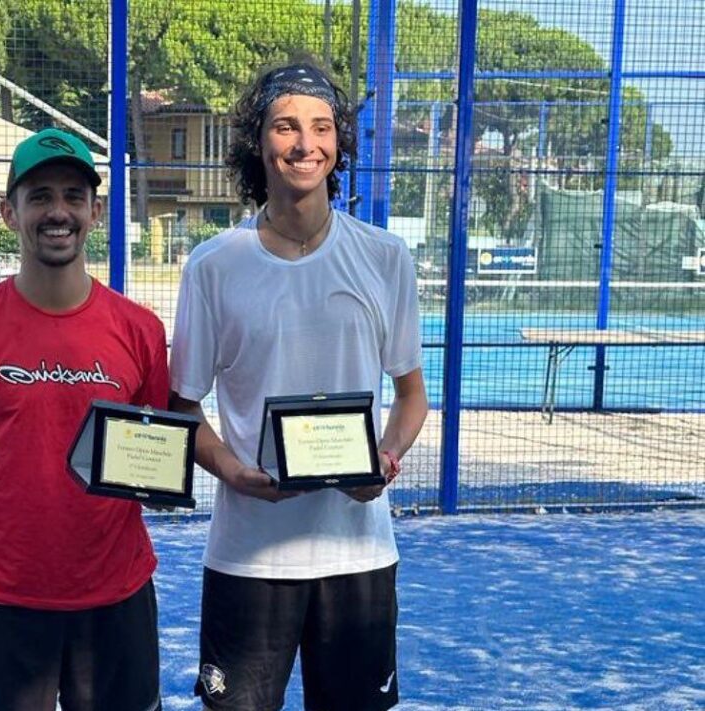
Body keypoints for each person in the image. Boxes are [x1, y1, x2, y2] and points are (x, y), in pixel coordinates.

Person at [169, 61, 429, 711]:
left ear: (338, 143)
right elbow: (183, 406)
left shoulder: (385, 258)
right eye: (285, 126)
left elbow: (412, 395)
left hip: (359, 555)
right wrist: (233, 471)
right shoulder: (213, 265)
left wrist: (387, 460)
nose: (304, 143)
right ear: (258, 142)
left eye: (320, 127)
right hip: (248, 558)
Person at [0, 128, 168, 711]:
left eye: (73, 194)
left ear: (95, 210)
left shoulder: (141, 332)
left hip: (116, 597)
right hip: (1, 597)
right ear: (9, 212)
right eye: (39, 195)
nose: (58, 211)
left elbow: (156, 453)